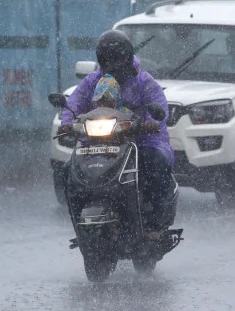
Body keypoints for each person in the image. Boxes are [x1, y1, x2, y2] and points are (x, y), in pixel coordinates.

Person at [58, 29, 176, 238]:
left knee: (155, 164)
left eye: (118, 58)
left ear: (128, 57)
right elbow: (75, 102)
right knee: (68, 171)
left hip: (143, 141)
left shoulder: (144, 82)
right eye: (108, 59)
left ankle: (154, 224)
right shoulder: (94, 81)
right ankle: (79, 226)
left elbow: (159, 106)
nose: (114, 63)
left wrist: (150, 123)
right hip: (100, 142)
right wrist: (67, 123)